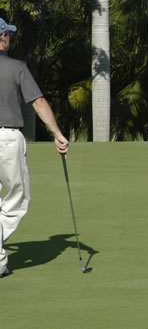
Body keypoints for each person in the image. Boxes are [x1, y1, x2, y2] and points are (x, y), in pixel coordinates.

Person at [0, 17, 69, 278]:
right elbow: (38, 102)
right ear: (3, 37)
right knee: (18, 199)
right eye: (8, 35)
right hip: (8, 139)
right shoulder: (17, 67)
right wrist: (57, 134)